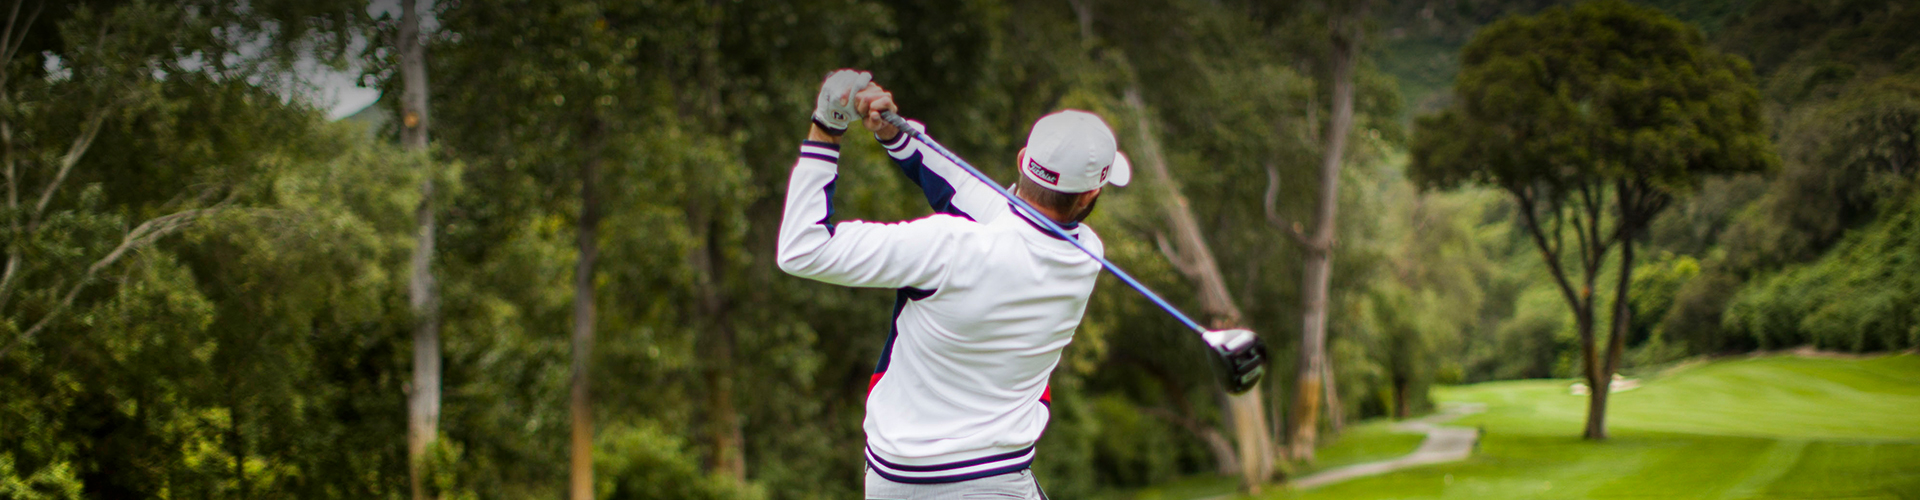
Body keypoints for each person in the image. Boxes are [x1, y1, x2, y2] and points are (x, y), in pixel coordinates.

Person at [775, 69, 1134, 499]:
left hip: (898, 481)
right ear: (1090, 196)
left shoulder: (945, 246)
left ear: (1022, 160)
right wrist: (898, 133)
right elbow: (976, 196)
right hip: (998, 480)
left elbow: (802, 248)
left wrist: (827, 126)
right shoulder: (1086, 256)